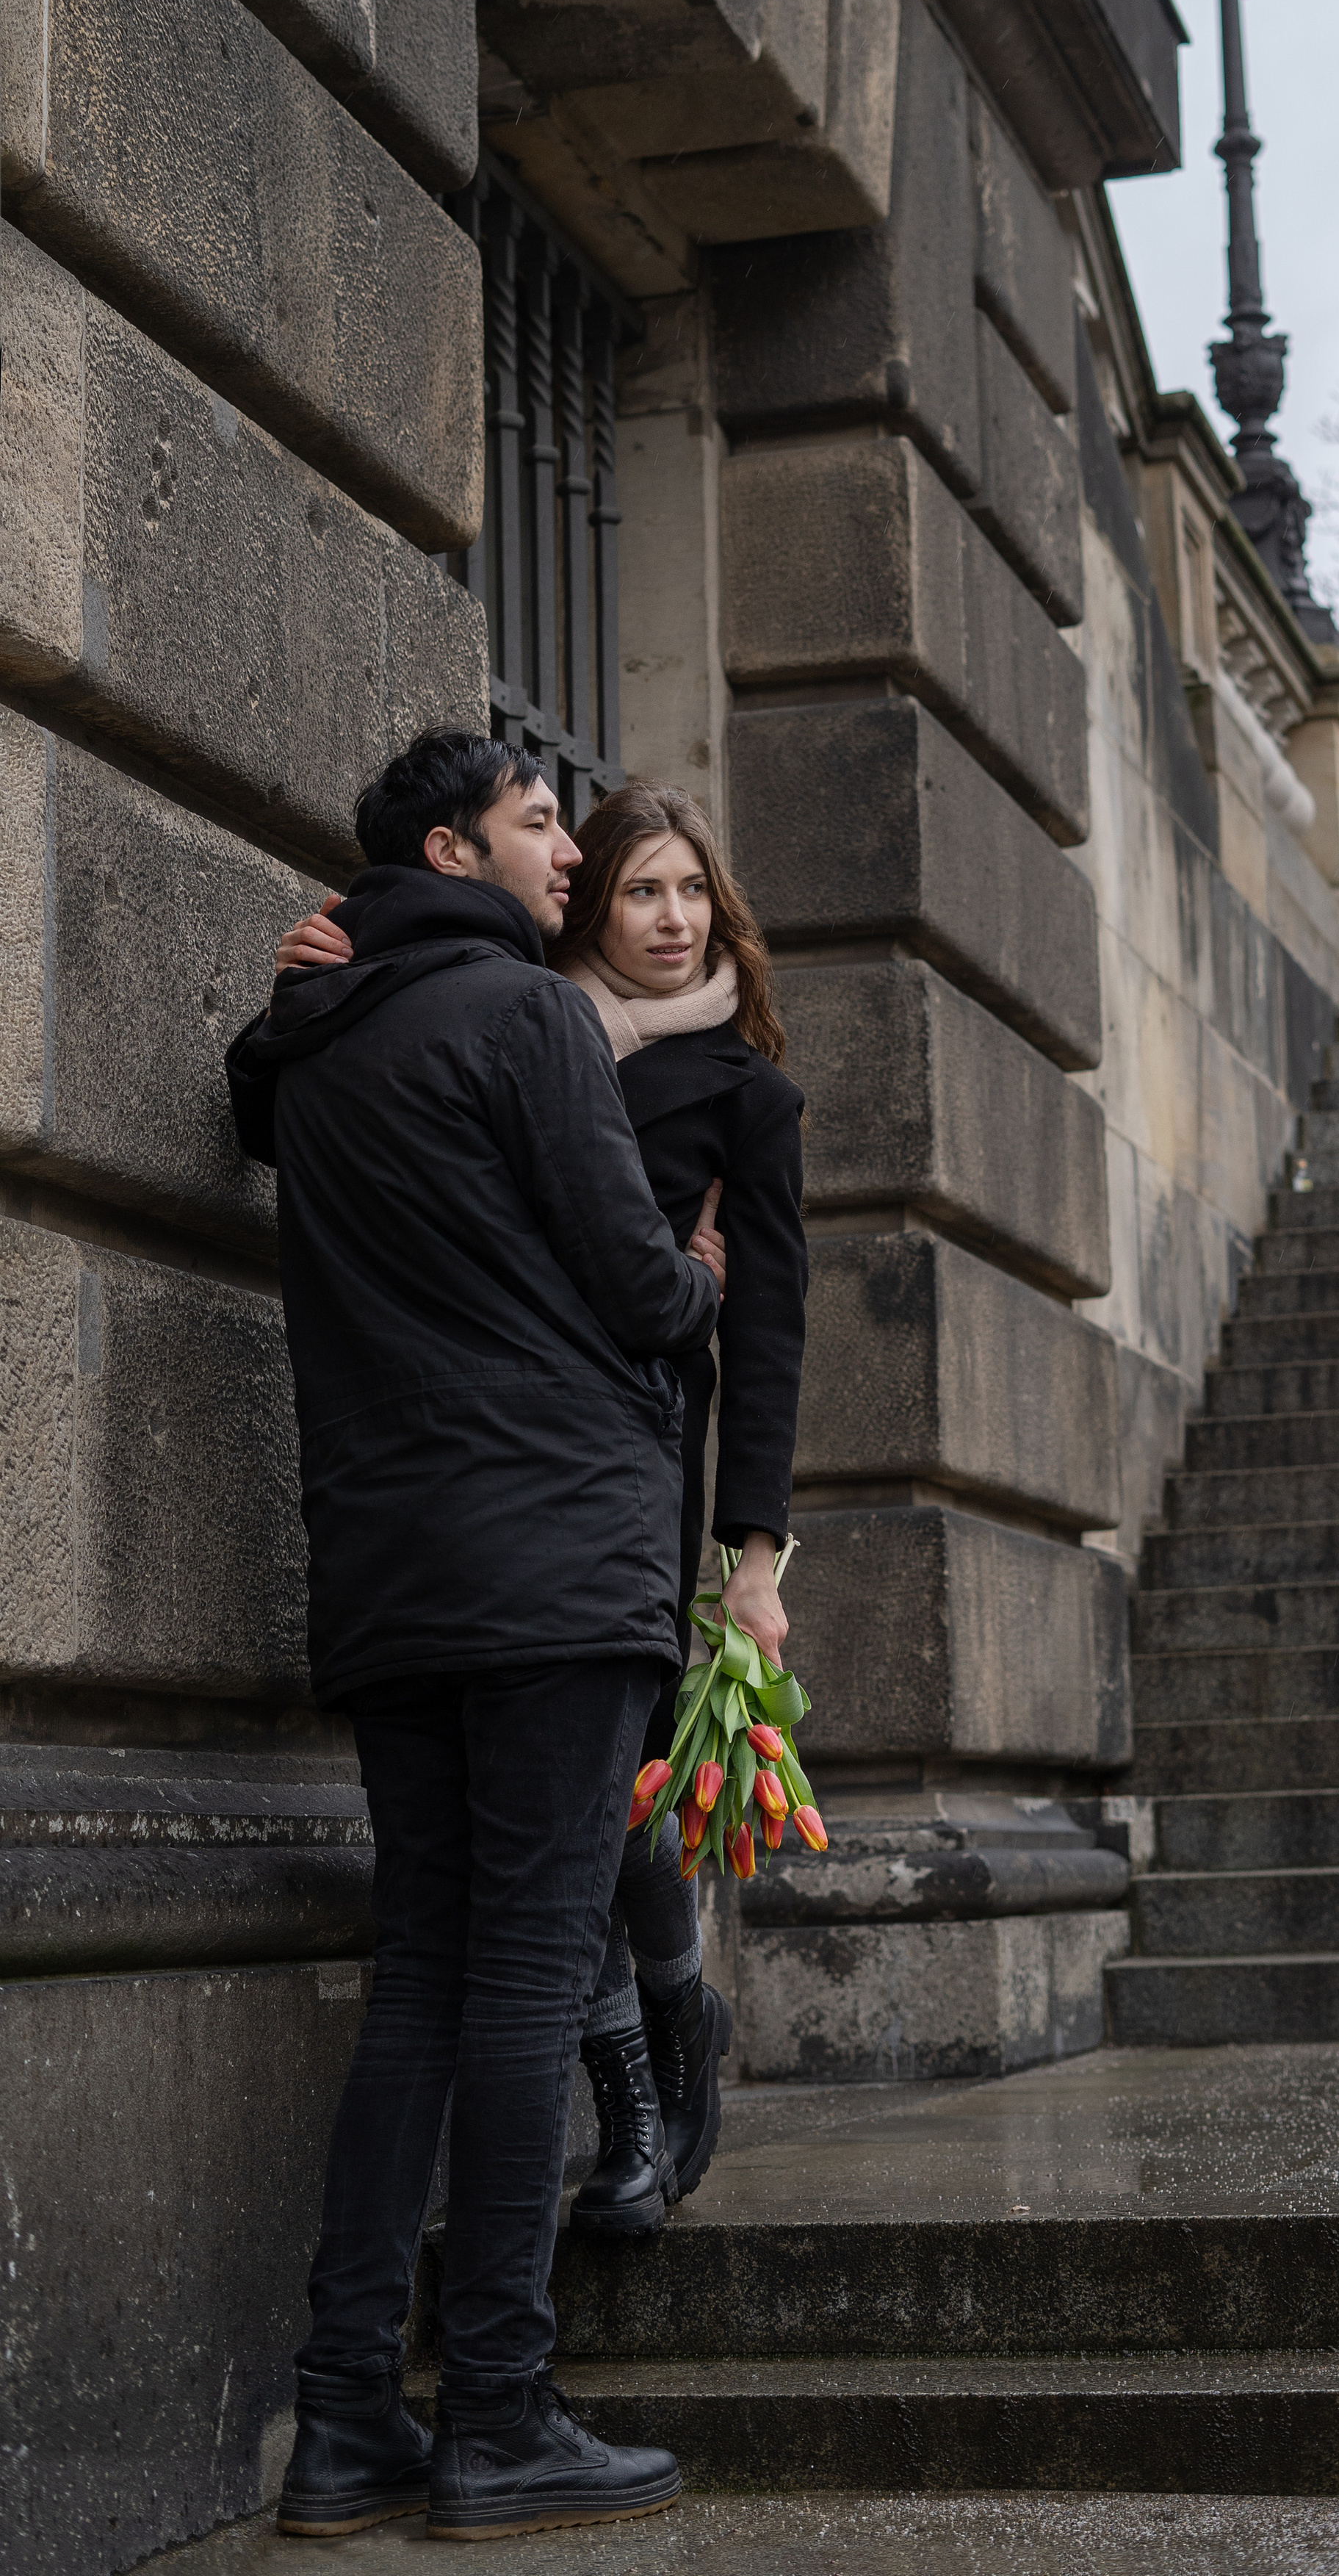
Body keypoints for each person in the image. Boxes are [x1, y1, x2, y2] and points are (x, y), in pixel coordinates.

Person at [227, 729, 722, 2543]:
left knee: (425, 1978)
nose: (568, 858)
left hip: (390, 1571)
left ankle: (348, 2415)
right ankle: (500, 2412)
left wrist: (311, 979)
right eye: (536, 827)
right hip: (550, 1559)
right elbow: (631, 1280)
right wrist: (699, 1279)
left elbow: (256, 1091)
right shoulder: (524, 1017)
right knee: (524, 1974)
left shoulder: (313, 1038)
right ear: (453, 850)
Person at [272, 777, 809, 2242]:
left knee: (612, 1795)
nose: (672, 919)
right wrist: (312, 981)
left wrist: (753, 1553)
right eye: (639, 890)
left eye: (692, 893)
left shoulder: (745, 1094)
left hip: (633, 1462)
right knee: (576, 1823)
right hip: (518, 1480)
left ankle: (669, 2011)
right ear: (583, 904)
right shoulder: (517, 1021)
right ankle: (633, 2084)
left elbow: (762, 1334)